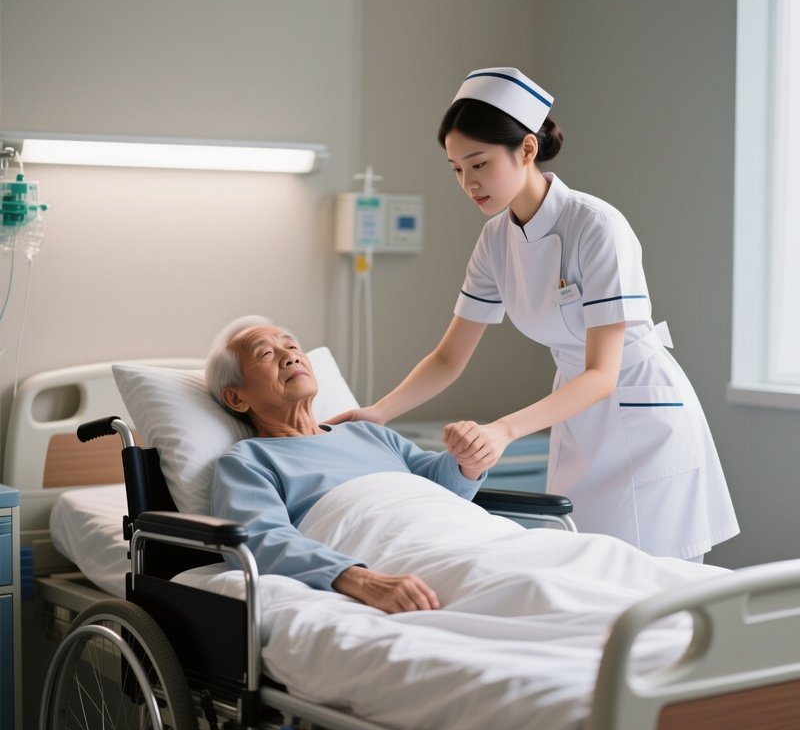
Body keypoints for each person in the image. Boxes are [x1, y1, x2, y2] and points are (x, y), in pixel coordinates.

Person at [329, 66, 739, 562]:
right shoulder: (495, 240)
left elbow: (602, 375)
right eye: (456, 169)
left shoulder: (596, 226)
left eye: (479, 164)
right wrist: (377, 413)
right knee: (586, 570)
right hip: (577, 417)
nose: (468, 183)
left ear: (526, 150)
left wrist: (502, 430)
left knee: (656, 581)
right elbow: (448, 358)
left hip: (642, 416)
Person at [205, 315, 487, 614]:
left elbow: (440, 489)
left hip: (465, 538)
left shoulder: (369, 432)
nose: (290, 356)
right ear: (236, 398)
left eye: (293, 347)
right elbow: (262, 541)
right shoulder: (249, 461)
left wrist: (468, 457)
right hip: (391, 559)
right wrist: (362, 581)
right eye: (265, 354)